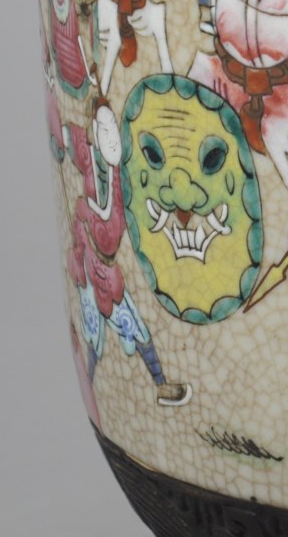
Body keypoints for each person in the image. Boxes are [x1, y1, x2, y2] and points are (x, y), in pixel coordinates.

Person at [66, 101, 191, 410]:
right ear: (95, 131)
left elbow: (132, 204)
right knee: (95, 335)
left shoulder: (119, 176)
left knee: (132, 327)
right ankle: (94, 387)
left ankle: (160, 385)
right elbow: (67, 136)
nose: (112, 139)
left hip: (108, 270)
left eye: (114, 130)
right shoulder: (89, 158)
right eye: (104, 129)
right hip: (90, 267)